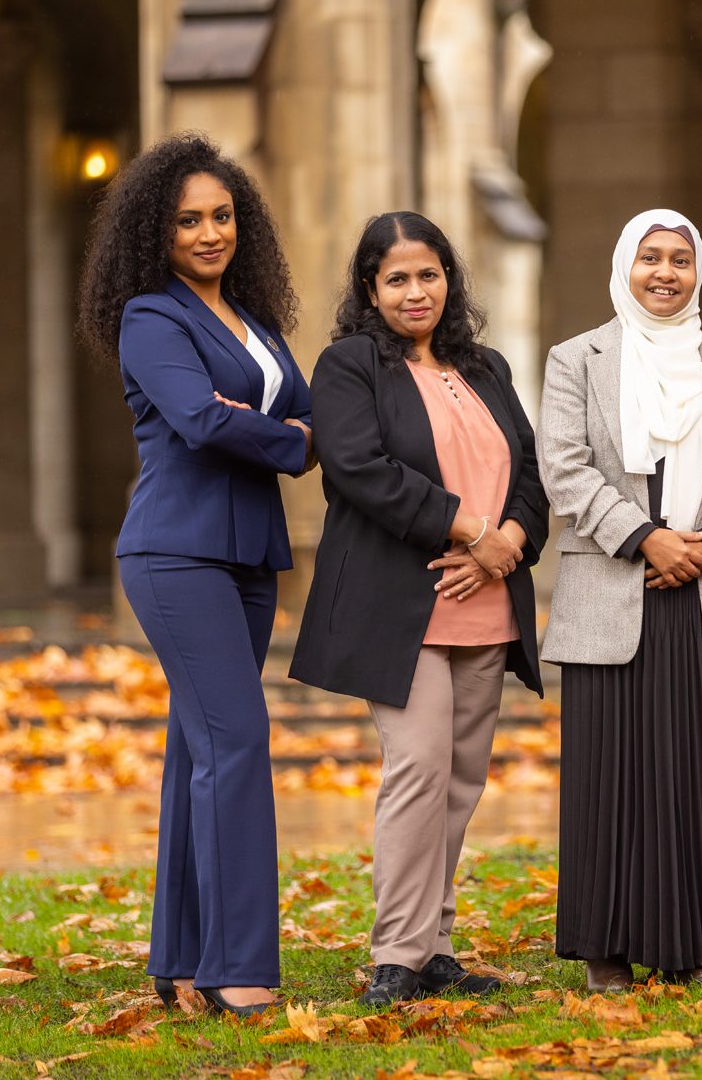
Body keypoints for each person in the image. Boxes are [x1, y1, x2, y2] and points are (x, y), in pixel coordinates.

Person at [75, 133, 315, 1018]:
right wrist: (292, 442)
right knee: (238, 742)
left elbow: (293, 407)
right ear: (155, 231)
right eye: (188, 221)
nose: (209, 233)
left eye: (221, 216)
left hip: (248, 556)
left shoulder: (257, 325)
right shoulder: (150, 317)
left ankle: (180, 959)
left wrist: (287, 427)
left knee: (199, 751)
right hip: (175, 554)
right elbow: (200, 422)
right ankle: (237, 969)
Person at [289, 212, 547, 1007]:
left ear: (449, 280)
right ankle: (396, 954)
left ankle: (435, 946)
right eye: (396, 277)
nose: (415, 291)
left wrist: (506, 539)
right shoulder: (348, 366)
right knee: (417, 768)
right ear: (371, 287)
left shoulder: (488, 368)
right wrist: (471, 527)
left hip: (487, 600)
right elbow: (360, 468)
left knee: (461, 780)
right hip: (400, 606)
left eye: (428, 274)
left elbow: (531, 478)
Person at [539, 209, 702, 992]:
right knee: (611, 780)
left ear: (697, 270)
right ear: (625, 266)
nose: (665, 273)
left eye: (680, 258)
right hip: (615, 587)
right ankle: (609, 945)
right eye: (650, 258)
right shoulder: (576, 358)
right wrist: (648, 538)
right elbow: (566, 471)